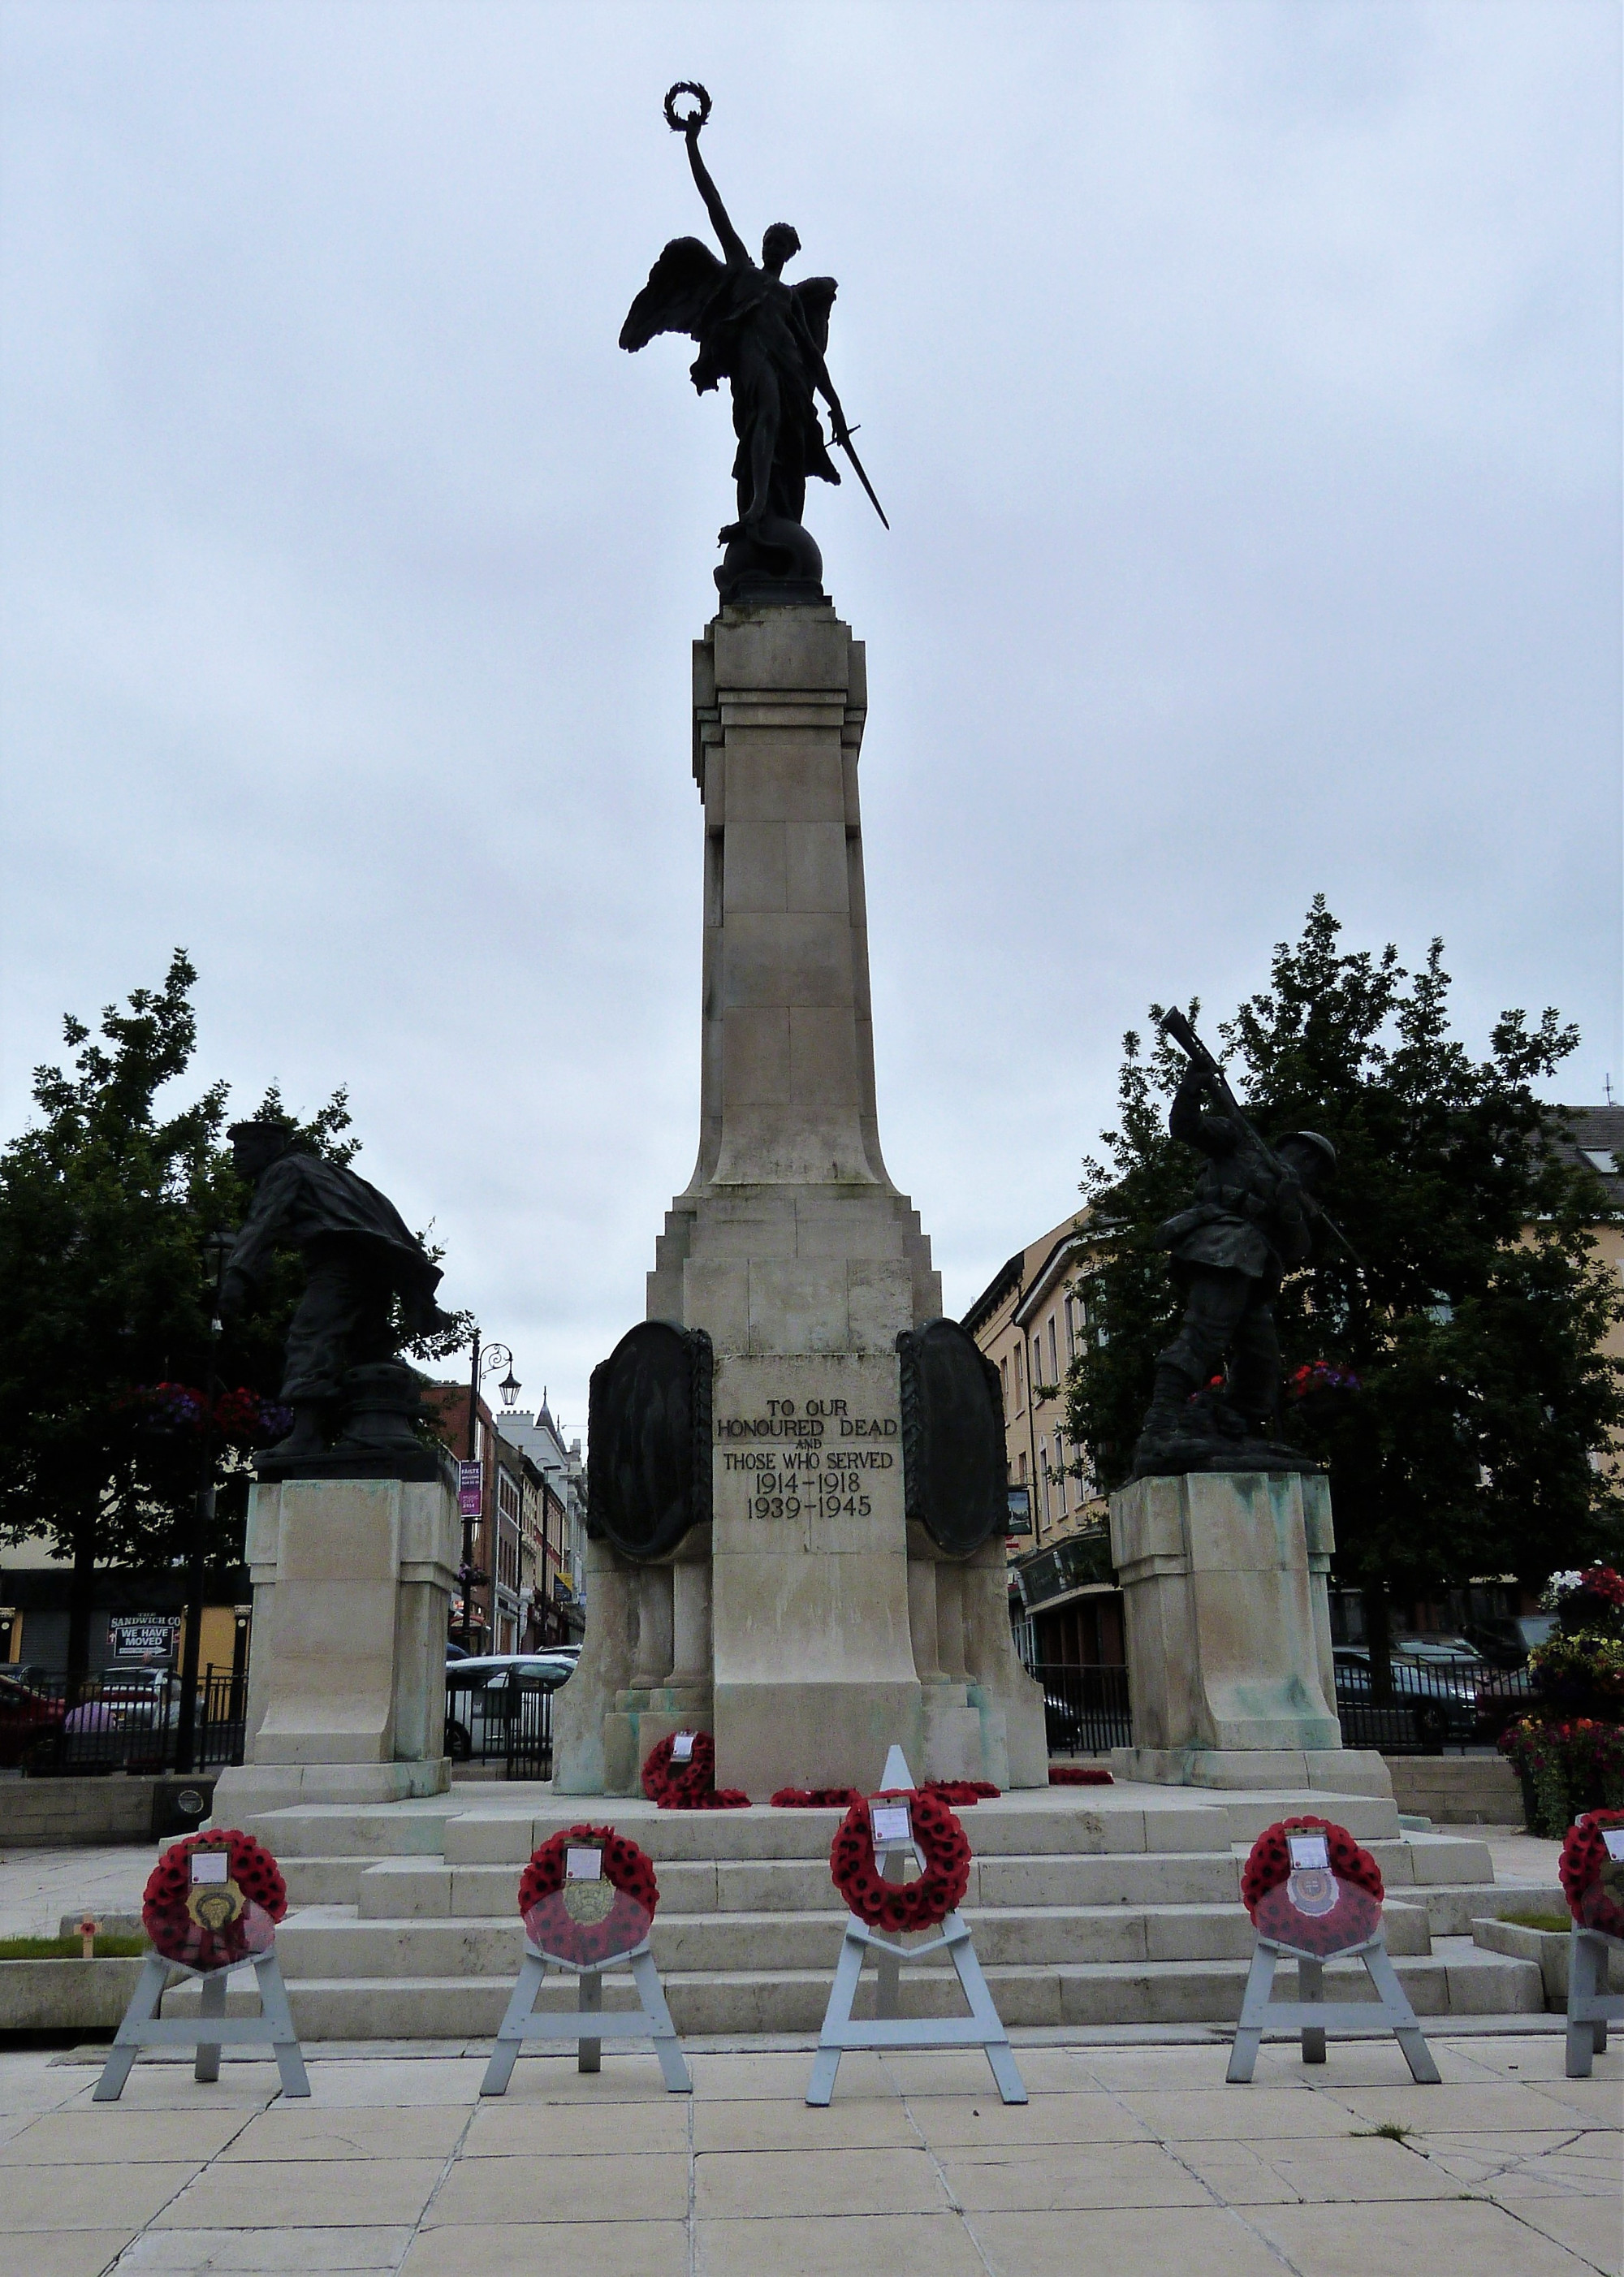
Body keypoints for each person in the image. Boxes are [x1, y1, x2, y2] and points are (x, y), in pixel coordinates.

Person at [620, 107, 854, 565]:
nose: (774, 249)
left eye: (782, 247)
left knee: (785, 440)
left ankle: (768, 510)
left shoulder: (789, 299)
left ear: (788, 255)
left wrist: (836, 409)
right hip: (752, 364)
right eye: (771, 241)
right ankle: (756, 511)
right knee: (761, 417)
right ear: (763, 244)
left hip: (788, 371)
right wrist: (692, 143)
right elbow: (714, 204)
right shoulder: (743, 271)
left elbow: (811, 355)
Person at [1133, 1063, 1337, 1471]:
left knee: (1261, 1358)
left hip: (1254, 1273)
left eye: (1318, 1166)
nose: (1310, 1165)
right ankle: (1160, 1428)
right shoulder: (1241, 1145)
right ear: (1289, 1147)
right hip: (1221, 1250)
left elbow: (1298, 1248)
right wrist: (1190, 1090)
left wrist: (1288, 1202)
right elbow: (1187, 1127)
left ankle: (1233, 1426)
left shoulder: (1292, 1192)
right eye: (1307, 1155)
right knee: (1204, 1335)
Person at [221, 1120, 452, 1459]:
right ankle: (377, 1433)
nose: (235, 1158)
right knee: (369, 1346)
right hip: (372, 1263)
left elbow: (262, 1225)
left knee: (310, 1337)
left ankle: (306, 1436)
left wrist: (237, 1275)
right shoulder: (325, 1171)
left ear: (270, 1148)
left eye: (243, 1150)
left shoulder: (284, 1170)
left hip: (338, 1265)